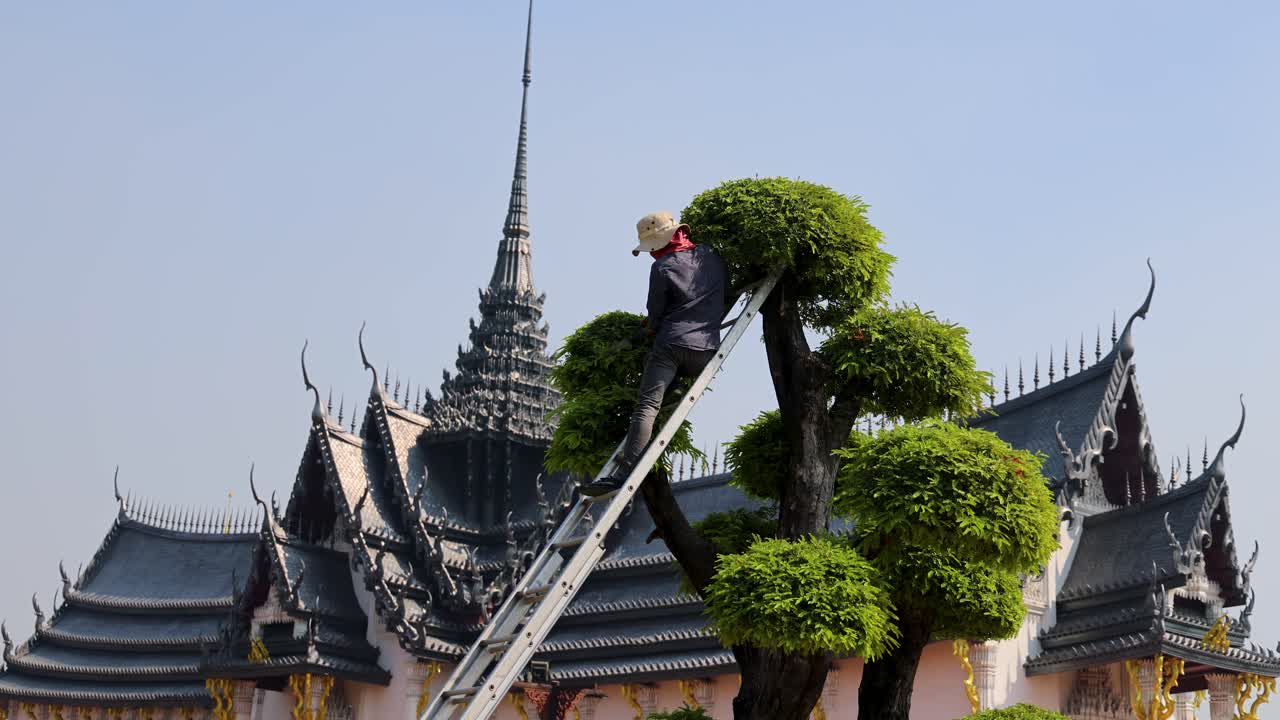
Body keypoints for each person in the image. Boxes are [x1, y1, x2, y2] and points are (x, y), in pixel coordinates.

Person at [580, 211, 728, 497]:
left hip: (670, 348)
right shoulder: (710, 255)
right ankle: (674, 387)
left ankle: (623, 474)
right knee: (664, 389)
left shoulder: (662, 268)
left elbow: (656, 317)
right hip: (707, 351)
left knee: (646, 407)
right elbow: (725, 293)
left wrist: (644, 330)